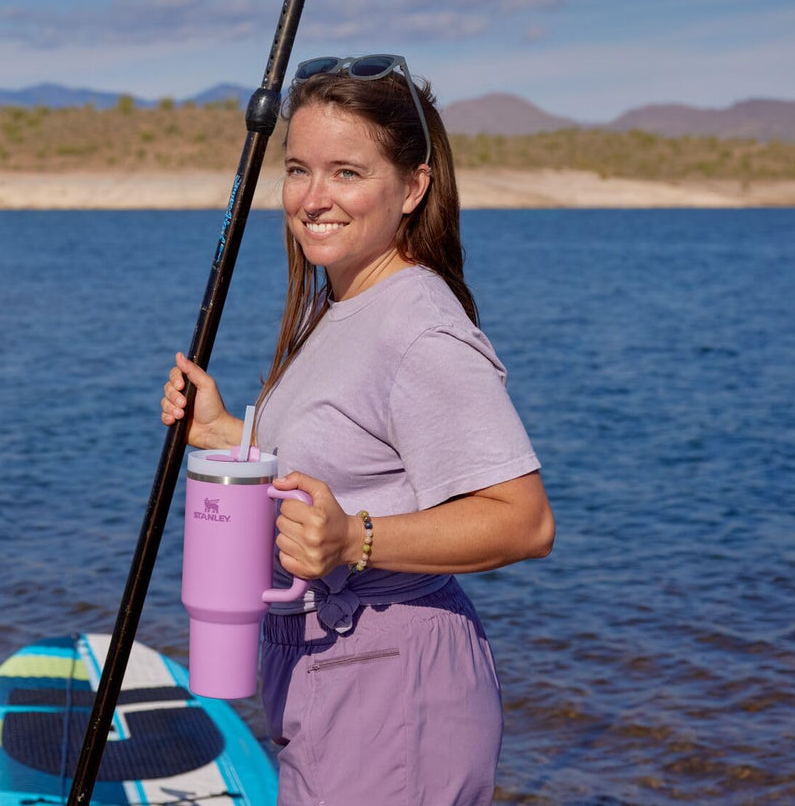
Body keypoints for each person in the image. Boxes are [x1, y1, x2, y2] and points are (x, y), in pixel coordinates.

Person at [160, 55, 554, 805]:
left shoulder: (418, 328)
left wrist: (354, 540)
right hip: (328, 669)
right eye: (298, 169)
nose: (312, 198)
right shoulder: (340, 307)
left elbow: (525, 522)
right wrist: (222, 438)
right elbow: (341, 467)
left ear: (412, 186)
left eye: (346, 172)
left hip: (392, 685)